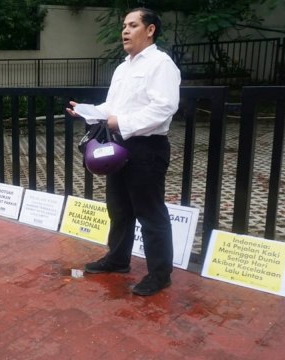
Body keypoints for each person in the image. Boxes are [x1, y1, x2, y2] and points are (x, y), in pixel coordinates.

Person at [66, 7, 180, 296]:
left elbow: (164, 107)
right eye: (124, 26)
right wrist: (86, 111)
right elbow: (111, 108)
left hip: (146, 148)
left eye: (132, 25)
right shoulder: (122, 68)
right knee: (118, 208)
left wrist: (122, 122)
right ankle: (117, 259)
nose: (125, 31)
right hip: (117, 146)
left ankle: (159, 274)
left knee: (150, 212)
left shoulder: (160, 64)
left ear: (150, 29)